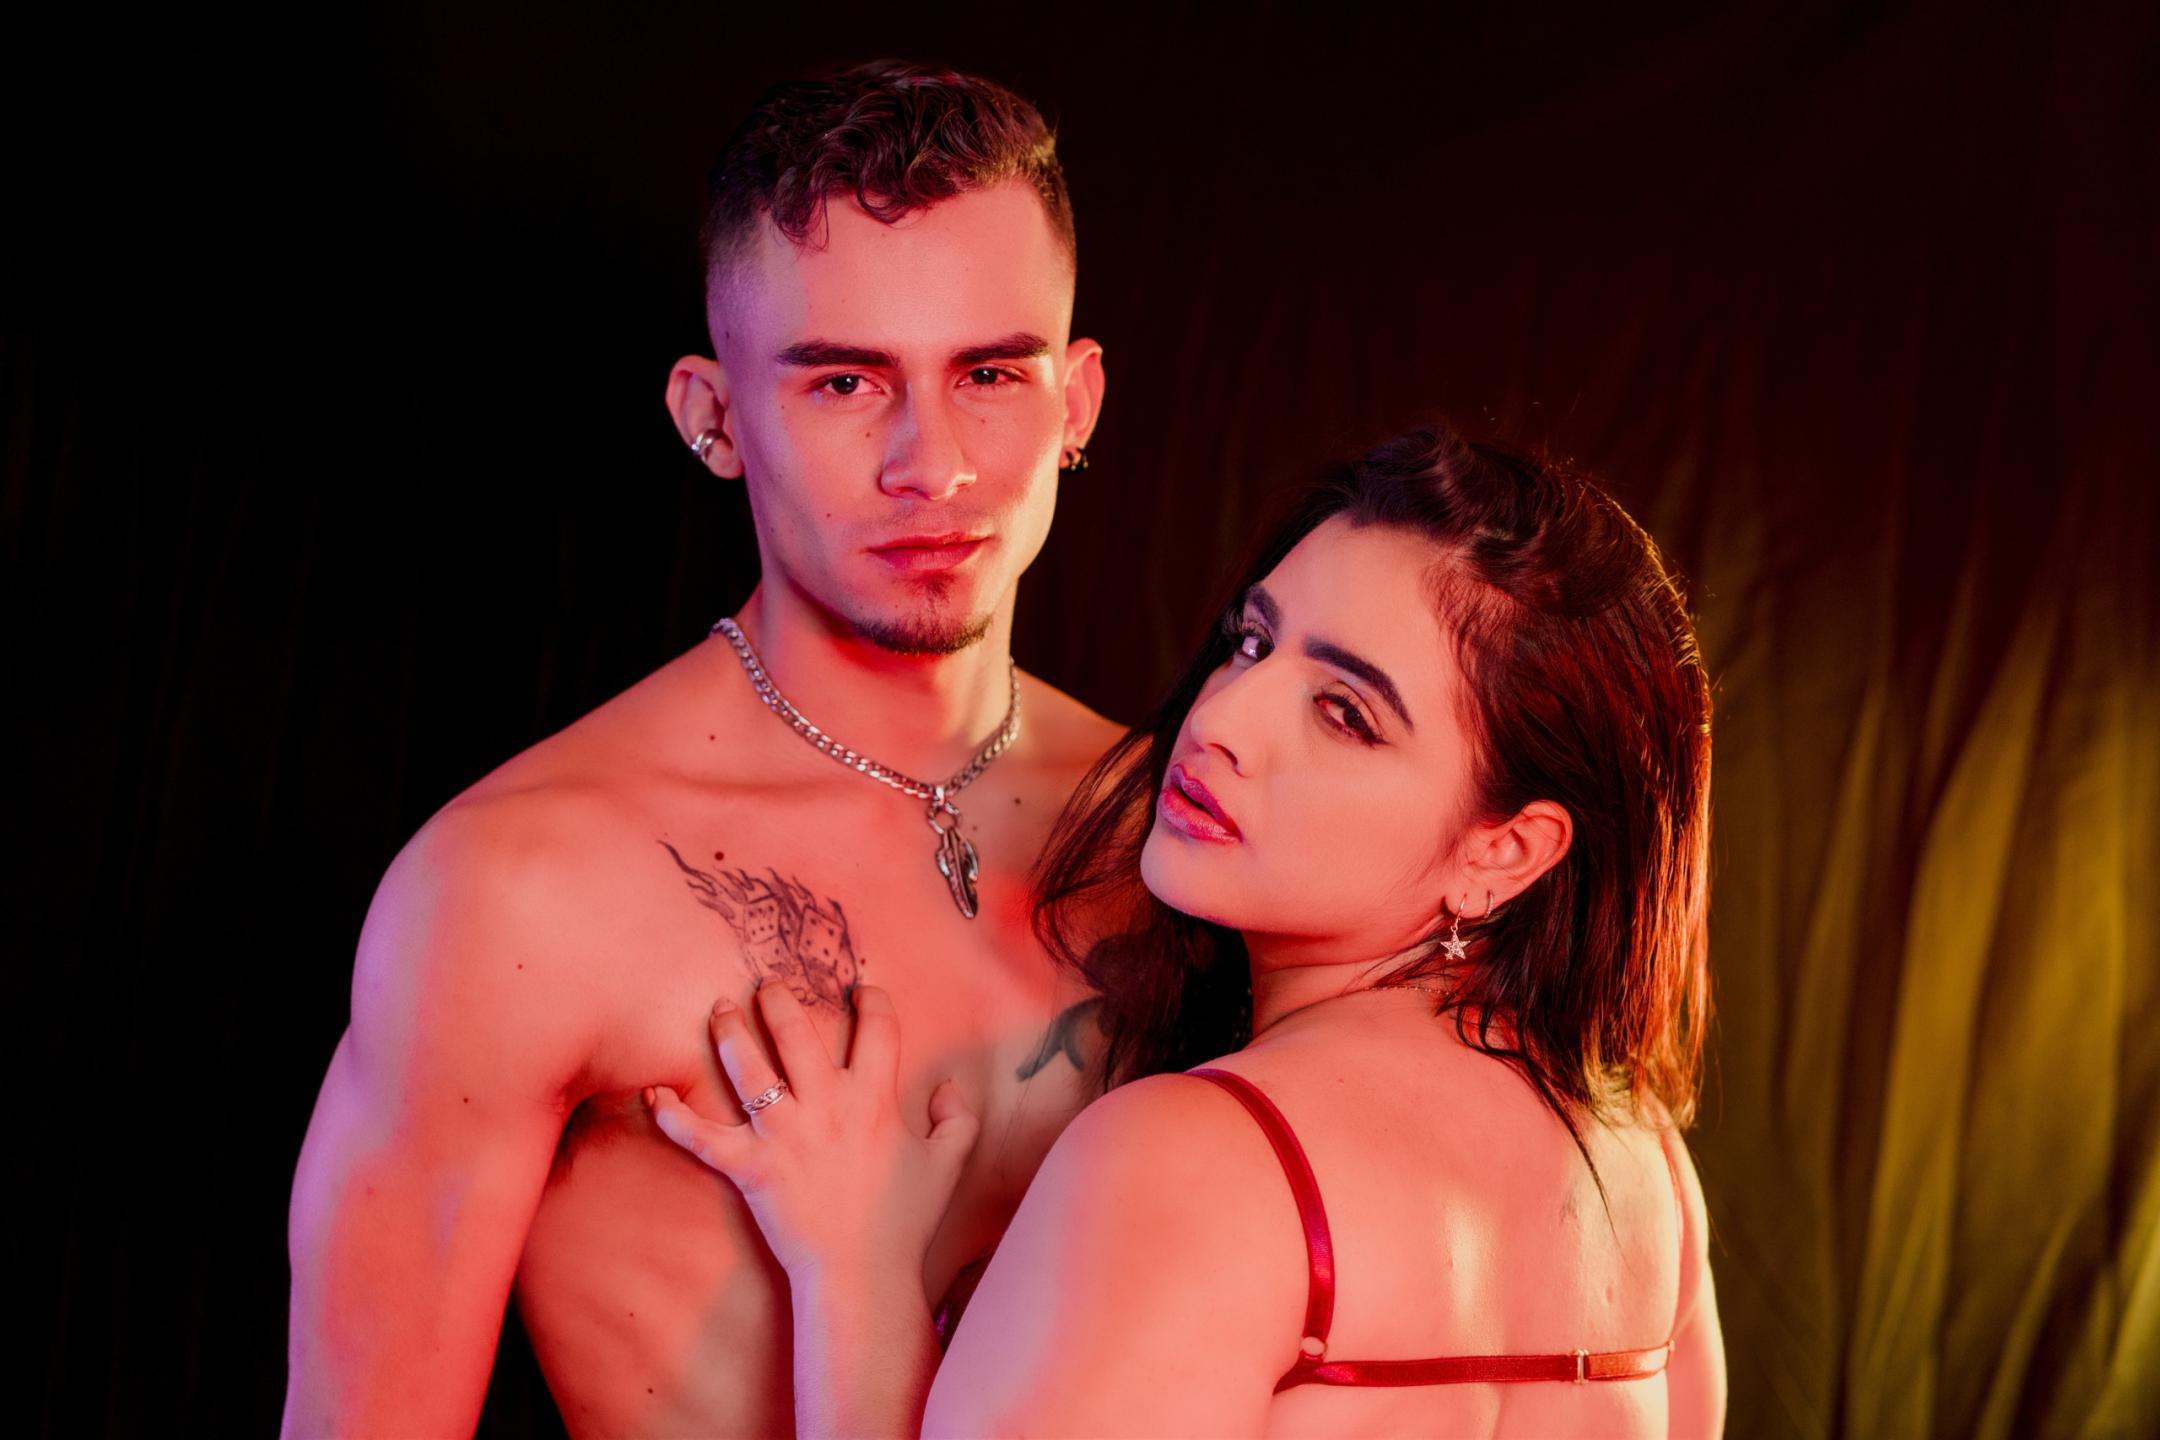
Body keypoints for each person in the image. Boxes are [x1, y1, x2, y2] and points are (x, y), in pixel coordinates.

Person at [282, 62, 1116, 1436]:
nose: (933, 466)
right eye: (844, 381)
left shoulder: (1172, 834)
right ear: (712, 418)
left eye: (988, 374)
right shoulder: (522, 888)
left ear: (1075, 403)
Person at [651, 424, 1729, 1436]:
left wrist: (852, 1271)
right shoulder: (1648, 1170)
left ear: (1507, 849)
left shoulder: (1196, 1158)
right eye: (1253, 643)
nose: (1219, 721)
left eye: (1345, 714)